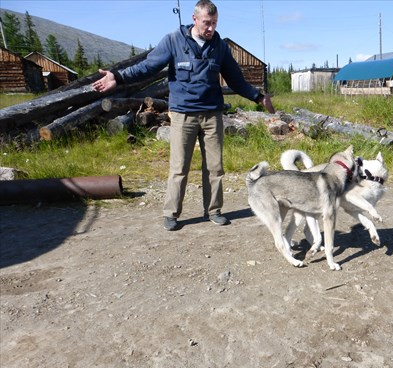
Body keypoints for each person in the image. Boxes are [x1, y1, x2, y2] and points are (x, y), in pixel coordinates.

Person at [92, 0, 274, 230]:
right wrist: (117, 77)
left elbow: (236, 80)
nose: (211, 28)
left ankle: (214, 210)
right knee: (179, 167)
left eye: (215, 23)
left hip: (212, 115)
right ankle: (171, 213)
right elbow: (147, 67)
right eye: (207, 23)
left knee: (215, 168)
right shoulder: (173, 40)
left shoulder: (220, 46)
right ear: (195, 18)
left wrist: (258, 97)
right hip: (183, 115)